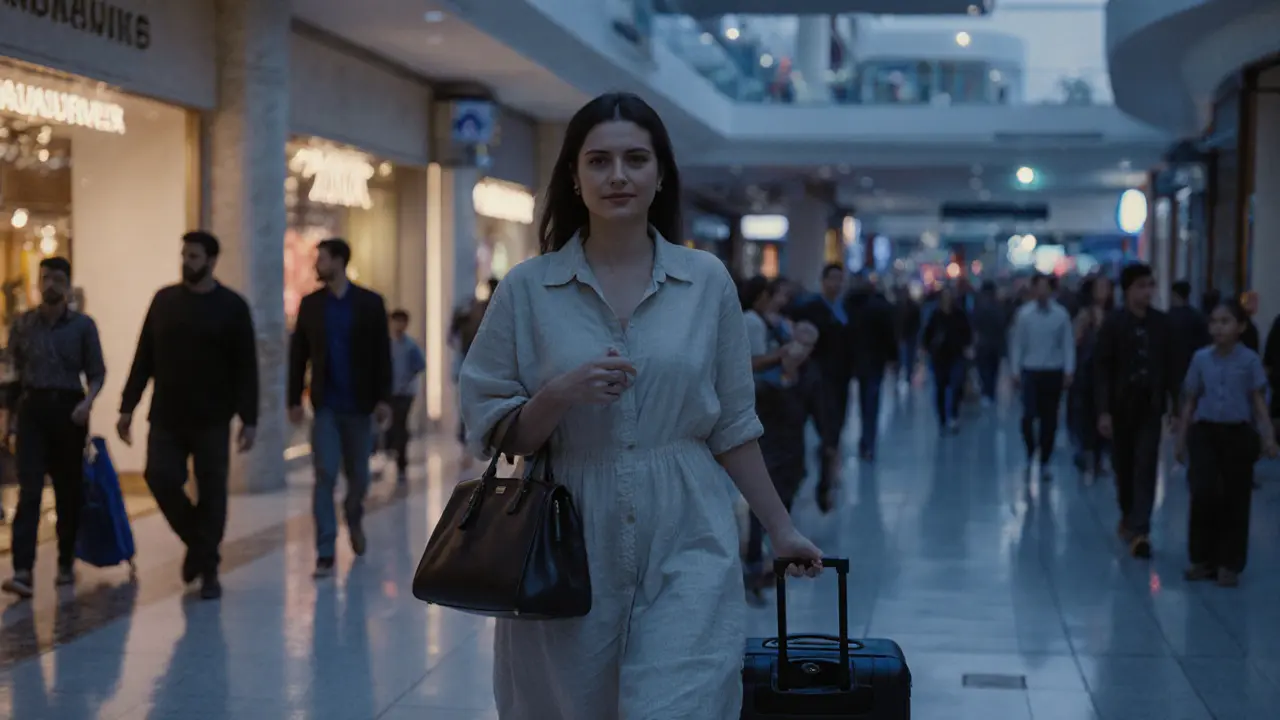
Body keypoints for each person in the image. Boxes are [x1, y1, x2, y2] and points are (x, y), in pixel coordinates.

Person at [458, 92, 822, 720]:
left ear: (659, 176)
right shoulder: (529, 289)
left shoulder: (705, 282)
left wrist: (781, 528)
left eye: (635, 159)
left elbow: (733, 424)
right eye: (598, 161)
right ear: (574, 176)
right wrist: (558, 394)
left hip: (688, 524)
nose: (618, 175)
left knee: (681, 705)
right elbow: (497, 433)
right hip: (566, 532)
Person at [117, 231, 259, 600]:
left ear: (212, 260)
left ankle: (208, 568)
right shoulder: (164, 301)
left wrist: (250, 418)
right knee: (159, 476)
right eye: (184, 255)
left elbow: (247, 367)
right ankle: (200, 545)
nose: (187, 262)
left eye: (194, 256)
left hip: (213, 417)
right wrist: (127, 406)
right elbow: (143, 356)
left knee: (213, 492)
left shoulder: (232, 307)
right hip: (166, 415)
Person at [288, 238, 393, 579]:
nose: (317, 265)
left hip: (360, 406)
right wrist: (293, 399)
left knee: (359, 478)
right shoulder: (311, 305)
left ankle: (354, 512)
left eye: (321, 259)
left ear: (338, 261)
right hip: (327, 407)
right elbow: (297, 356)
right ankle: (325, 551)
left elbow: (381, 354)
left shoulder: (370, 303)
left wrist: (383, 399)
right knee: (324, 474)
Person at [2, 257, 106, 598]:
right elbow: (13, 373)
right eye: (45, 278)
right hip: (32, 408)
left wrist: (87, 403)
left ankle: (64, 560)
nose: (50, 285)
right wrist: (9, 419)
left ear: (67, 285)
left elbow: (97, 371)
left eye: (57, 280)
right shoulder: (23, 324)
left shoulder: (82, 326)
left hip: (68, 409)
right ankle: (22, 569)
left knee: (67, 489)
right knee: (29, 489)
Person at [1174, 300, 1278, 587]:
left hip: (1237, 435)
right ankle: (1201, 559)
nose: (1218, 328)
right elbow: (1191, 400)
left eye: (1226, 321)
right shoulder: (1201, 359)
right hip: (1205, 433)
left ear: (1241, 327)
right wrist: (1181, 440)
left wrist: (1268, 437)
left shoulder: (1249, 361)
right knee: (1203, 493)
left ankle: (1229, 563)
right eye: (1214, 322)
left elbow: (1258, 403)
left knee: (1235, 498)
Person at [740, 276, 818, 604]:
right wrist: (782, 354)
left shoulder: (774, 323)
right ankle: (757, 561)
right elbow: (749, 363)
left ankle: (767, 554)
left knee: (783, 477)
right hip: (765, 408)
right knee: (767, 481)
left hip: (779, 411)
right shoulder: (752, 324)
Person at [1095, 263, 1178, 559]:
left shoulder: (1162, 324)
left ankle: (1141, 529)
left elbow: (1171, 367)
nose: (1147, 292)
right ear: (1128, 290)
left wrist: (1176, 407)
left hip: (1150, 406)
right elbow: (1102, 368)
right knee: (1123, 466)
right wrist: (1103, 411)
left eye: (1150, 285)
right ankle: (1129, 514)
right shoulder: (1114, 323)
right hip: (1120, 407)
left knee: (1145, 464)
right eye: (1141, 286)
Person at [789, 263, 850, 511]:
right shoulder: (811, 309)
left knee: (832, 432)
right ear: (823, 281)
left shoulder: (845, 310)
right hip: (815, 380)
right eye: (831, 279)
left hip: (840, 380)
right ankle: (804, 476)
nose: (836, 284)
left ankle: (826, 481)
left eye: (839, 279)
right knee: (819, 428)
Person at [1009, 273, 1075, 477]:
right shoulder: (1024, 315)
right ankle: (1030, 452)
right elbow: (1017, 343)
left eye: (1046, 288)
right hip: (1030, 370)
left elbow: (1067, 344)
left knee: (1050, 419)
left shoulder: (1061, 315)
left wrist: (1068, 370)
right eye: (1039, 287)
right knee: (1028, 417)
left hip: (1053, 371)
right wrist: (1015, 370)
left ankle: (1045, 459)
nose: (1042, 292)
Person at [846, 274, 896, 461]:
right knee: (871, 402)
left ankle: (860, 441)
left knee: (857, 400)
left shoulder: (849, 306)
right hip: (875, 360)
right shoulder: (880, 307)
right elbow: (889, 335)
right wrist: (893, 357)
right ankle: (868, 442)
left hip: (854, 359)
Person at [1071, 274, 1114, 477]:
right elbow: (1076, 341)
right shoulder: (1085, 315)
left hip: (1106, 373)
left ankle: (1099, 454)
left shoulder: (1112, 314)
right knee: (1086, 413)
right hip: (1087, 373)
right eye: (1100, 288)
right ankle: (1087, 452)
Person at [921, 286, 972, 433]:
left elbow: (966, 332)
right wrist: (926, 349)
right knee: (940, 387)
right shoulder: (935, 316)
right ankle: (943, 418)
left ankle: (953, 414)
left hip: (956, 355)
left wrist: (966, 346)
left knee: (956, 385)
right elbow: (927, 334)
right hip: (939, 357)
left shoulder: (959, 315)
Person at [386, 309, 425, 484]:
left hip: (405, 393)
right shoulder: (386, 344)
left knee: (400, 423)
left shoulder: (410, 345)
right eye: (396, 321)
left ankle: (401, 460)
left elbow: (420, 365)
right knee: (393, 424)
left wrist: (408, 378)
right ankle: (392, 449)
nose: (399, 325)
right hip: (389, 391)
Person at [1167, 280, 1211, 393]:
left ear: (1174, 294)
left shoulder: (1168, 317)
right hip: (1192, 365)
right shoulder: (1197, 317)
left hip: (1172, 368)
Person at [971, 281, 1007, 407]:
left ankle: (986, 392)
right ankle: (991, 392)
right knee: (993, 370)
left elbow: (974, 324)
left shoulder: (979, 306)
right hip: (995, 345)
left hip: (982, 344)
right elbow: (1003, 325)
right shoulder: (998, 306)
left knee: (983, 370)